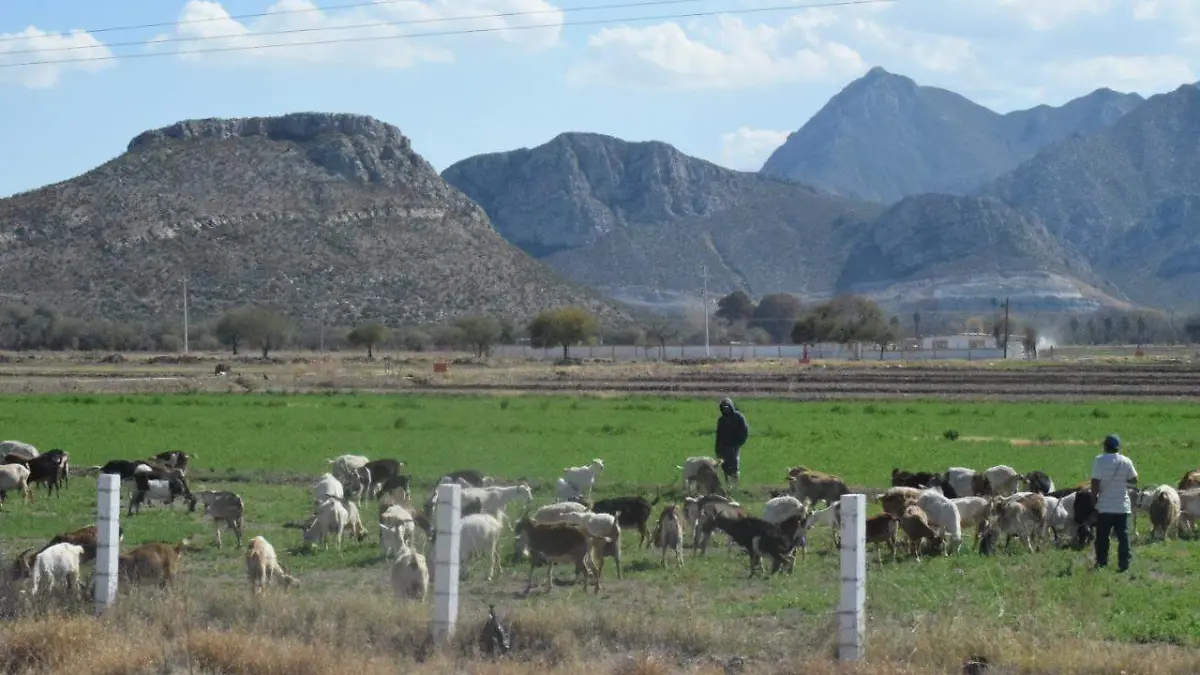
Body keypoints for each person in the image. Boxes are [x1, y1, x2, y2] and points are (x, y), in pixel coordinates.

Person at [1090, 433, 1138, 573]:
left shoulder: (1099, 460)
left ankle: (1101, 562)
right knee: (1123, 537)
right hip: (1122, 506)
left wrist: (1094, 499)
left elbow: (1095, 482)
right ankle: (1124, 564)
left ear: (1105, 446)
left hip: (1105, 506)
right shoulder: (1126, 461)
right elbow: (1134, 480)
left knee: (1102, 537)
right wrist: (1122, 480)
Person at [714, 398, 749, 487]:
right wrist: (717, 449)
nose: (726, 409)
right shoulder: (721, 420)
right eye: (724, 408)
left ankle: (736, 485)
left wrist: (739, 443)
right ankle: (728, 485)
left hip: (733, 446)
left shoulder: (738, 417)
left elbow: (745, 431)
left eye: (727, 407)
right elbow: (718, 435)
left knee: (734, 465)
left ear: (731, 407)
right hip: (723, 447)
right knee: (725, 467)